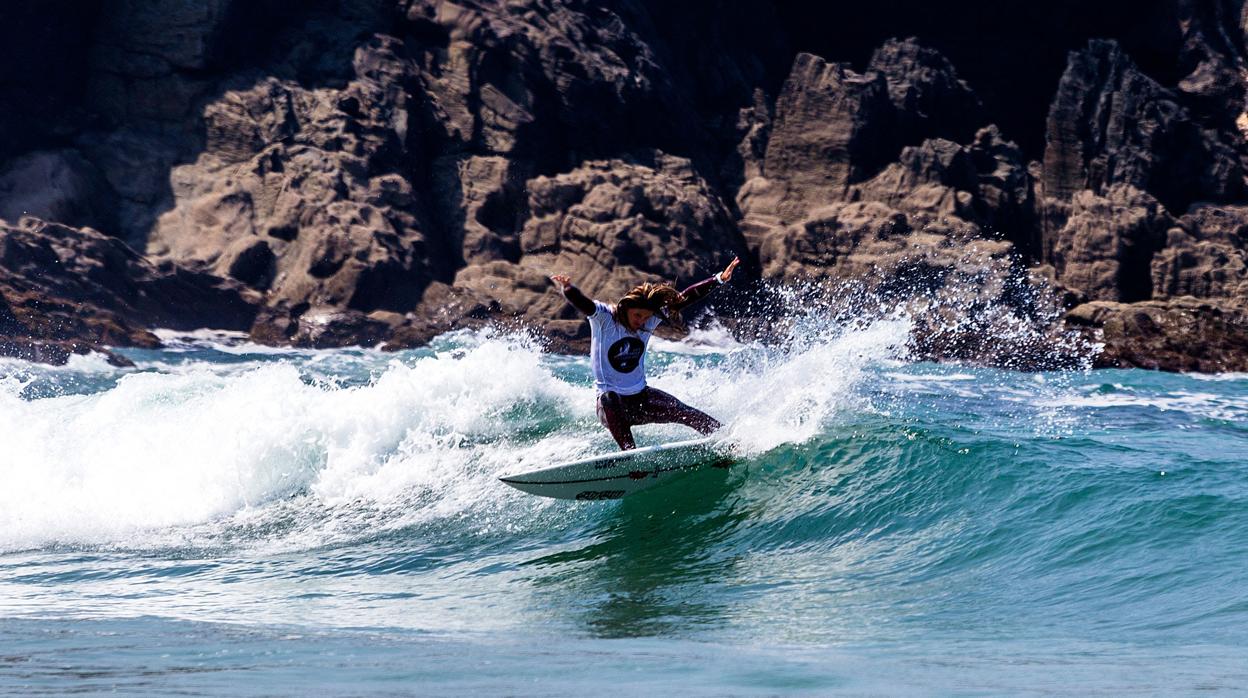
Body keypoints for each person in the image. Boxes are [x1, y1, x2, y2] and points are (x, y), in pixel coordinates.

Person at [550, 257, 740, 450]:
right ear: (626, 307)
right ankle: (630, 456)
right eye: (638, 315)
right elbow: (585, 304)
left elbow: (683, 298)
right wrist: (568, 289)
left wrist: (719, 279)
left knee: (685, 412)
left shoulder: (648, 322)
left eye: (646, 317)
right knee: (609, 397)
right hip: (611, 409)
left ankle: (728, 442)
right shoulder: (604, 318)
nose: (641, 321)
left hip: (641, 401)